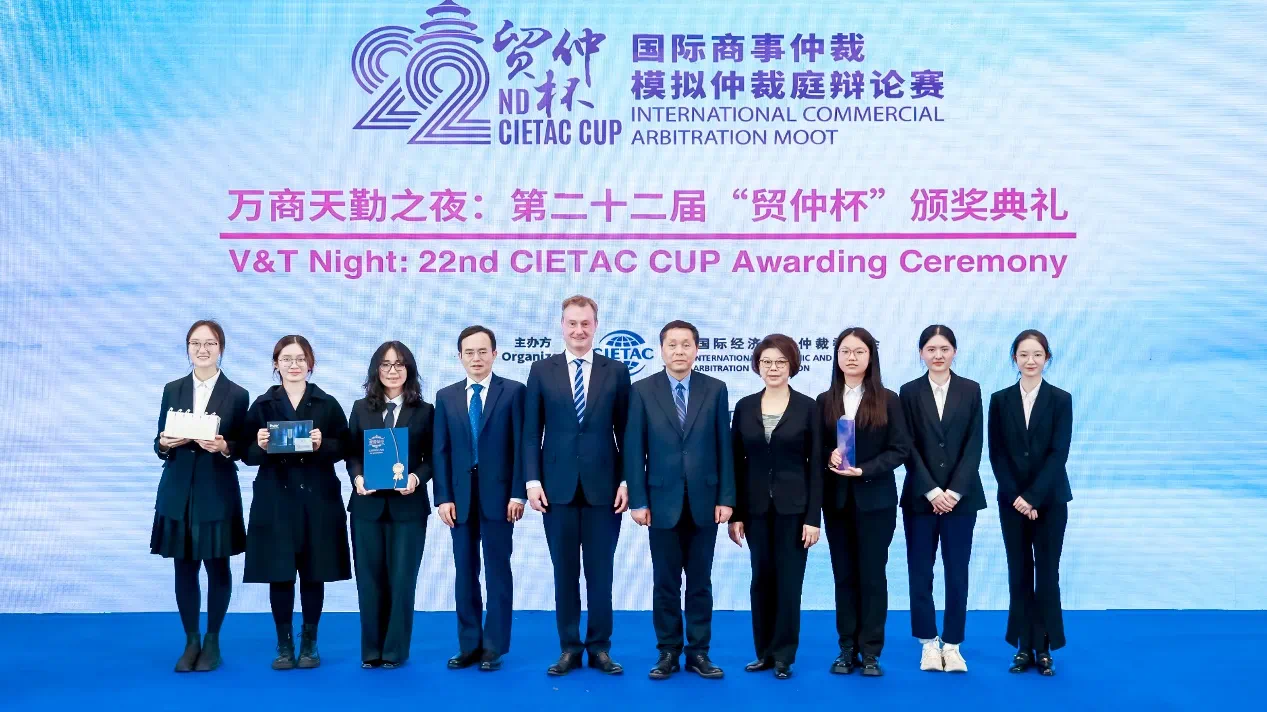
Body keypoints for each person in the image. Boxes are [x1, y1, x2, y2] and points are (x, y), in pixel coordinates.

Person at [523, 295, 631, 676]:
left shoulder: (616, 371)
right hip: (556, 490)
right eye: (572, 323)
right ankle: (569, 647)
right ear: (562, 325)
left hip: (605, 490)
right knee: (564, 573)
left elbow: (627, 432)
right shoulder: (541, 370)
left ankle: (600, 648)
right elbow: (531, 432)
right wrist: (532, 481)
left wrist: (626, 480)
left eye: (585, 323)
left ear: (596, 325)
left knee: (601, 575)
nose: (579, 330)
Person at [625, 320, 735, 681]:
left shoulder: (715, 389)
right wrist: (638, 500)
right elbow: (634, 450)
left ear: (696, 350)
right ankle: (668, 651)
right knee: (666, 583)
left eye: (686, 344)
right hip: (660, 502)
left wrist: (726, 497)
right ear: (661, 350)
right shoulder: (642, 390)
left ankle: (699, 652)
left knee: (700, 582)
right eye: (672, 344)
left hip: (705, 501)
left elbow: (724, 447)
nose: (679, 351)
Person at [242, 335, 351, 670]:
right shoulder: (262, 405)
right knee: (280, 572)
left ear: (310, 363)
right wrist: (260, 445)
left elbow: (346, 446)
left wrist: (323, 443)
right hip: (276, 499)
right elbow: (245, 454)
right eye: (286, 359)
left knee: (315, 571)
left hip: (318, 498)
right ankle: (284, 643)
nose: (294, 365)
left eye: (300, 359)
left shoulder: (326, 403)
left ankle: (310, 642)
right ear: (276, 364)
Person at [152, 320, 249, 672]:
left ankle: (212, 641)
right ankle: (191, 640)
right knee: (184, 566)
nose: (202, 349)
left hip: (216, 491)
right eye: (196, 343)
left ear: (220, 348)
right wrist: (164, 444)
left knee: (217, 566)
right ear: (188, 348)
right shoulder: (172, 389)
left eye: (210, 343)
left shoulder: (237, 394)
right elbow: (158, 442)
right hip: (178, 490)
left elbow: (243, 446)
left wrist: (224, 446)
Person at [728, 334, 822, 680]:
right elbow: (736, 463)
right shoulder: (745, 406)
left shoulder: (808, 407)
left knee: (788, 583)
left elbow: (816, 467)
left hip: (794, 511)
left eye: (780, 362)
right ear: (757, 366)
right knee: (761, 580)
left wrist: (813, 518)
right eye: (766, 361)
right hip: (755, 510)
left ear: (792, 365)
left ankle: (784, 655)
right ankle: (764, 653)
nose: (773, 368)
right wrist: (736, 513)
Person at [818, 327, 910, 677]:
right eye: (845, 351)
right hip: (837, 503)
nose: (851, 357)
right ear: (837, 357)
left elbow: (900, 449)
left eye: (859, 351)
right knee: (844, 576)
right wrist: (829, 457)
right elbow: (816, 449)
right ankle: (846, 648)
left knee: (872, 576)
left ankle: (870, 651)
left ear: (871, 356)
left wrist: (865, 470)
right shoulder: (824, 401)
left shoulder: (888, 399)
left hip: (876, 502)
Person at [433, 326, 525, 672]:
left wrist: (518, 492)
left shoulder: (513, 392)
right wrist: (443, 497)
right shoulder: (446, 396)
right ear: (460, 357)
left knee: (498, 571)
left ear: (495, 354)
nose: (476, 358)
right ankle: (469, 644)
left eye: (482, 351)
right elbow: (440, 451)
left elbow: (522, 447)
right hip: (459, 499)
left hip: (500, 497)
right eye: (469, 352)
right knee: (464, 571)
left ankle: (494, 647)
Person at [898, 325, 985, 673]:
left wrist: (954, 491)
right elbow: (907, 444)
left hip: (962, 500)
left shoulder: (971, 389)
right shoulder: (908, 392)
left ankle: (953, 644)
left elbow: (974, 444)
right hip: (921, 499)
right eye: (931, 349)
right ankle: (928, 644)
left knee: (957, 572)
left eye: (944, 348)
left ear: (954, 352)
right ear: (921, 353)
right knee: (920, 572)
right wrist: (932, 490)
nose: (938, 355)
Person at [344, 341, 434, 669]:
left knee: (402, 580)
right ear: (376, 370)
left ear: (409, 370)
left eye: (399, 364)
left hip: (408, 508)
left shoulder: (425, 411)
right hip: (367, 507)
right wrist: (357, 477)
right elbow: (352, 453)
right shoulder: (360, 408)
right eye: (385, 364)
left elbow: (433, 458)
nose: (392, 371)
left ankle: (394, 651)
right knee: (368, 580)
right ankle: (371, 650)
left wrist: (417, 478)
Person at [988, 329, 1072, 677]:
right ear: (1014, 359)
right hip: (1012, 503)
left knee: (1047, 575)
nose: (1030, 361)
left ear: (1047, 358)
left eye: (1037, 354)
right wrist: (1017, 498)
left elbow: (1058, 453)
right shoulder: (1000, 400)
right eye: (1023, 354)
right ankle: (1024, 647)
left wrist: (1034, 497)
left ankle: (1045, 647)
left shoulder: (1061, 399)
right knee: (1019, 572)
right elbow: (996, 453)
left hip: (1050, 501)